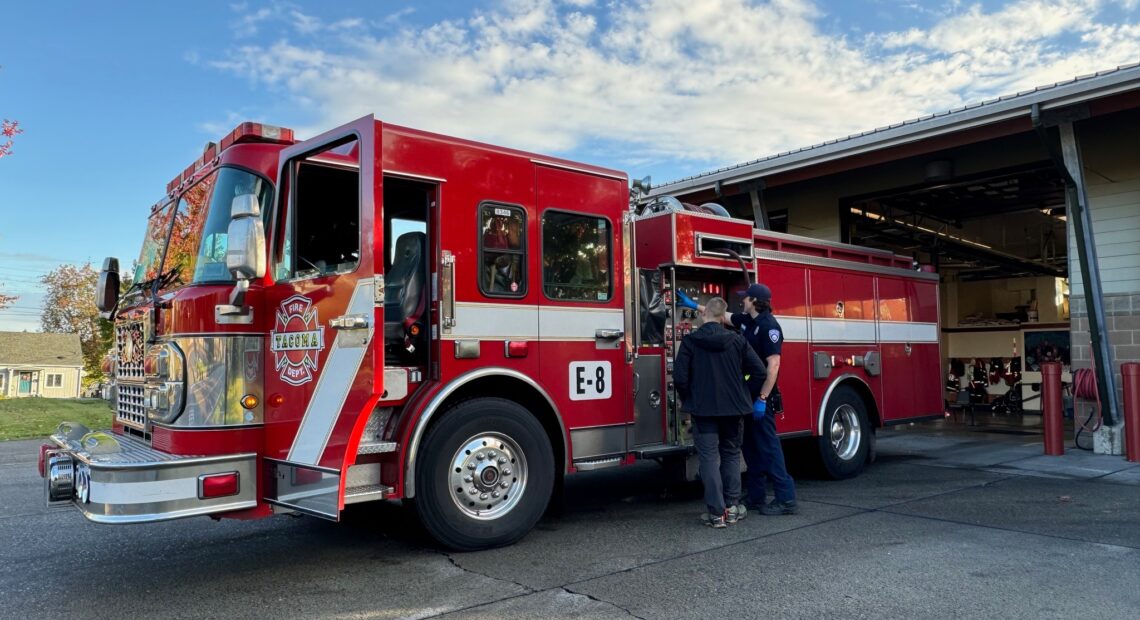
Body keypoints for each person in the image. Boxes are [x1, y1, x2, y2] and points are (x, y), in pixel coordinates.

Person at [678, 283, 799, 515]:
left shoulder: (769, 326)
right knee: (750, 448)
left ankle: (786, 498)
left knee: (769, 447)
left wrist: (762, 397)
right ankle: (756, 495)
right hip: (745, 399)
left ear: (754, 301)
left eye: (745, 298)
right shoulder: (747, 321)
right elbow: (719, 314)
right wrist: (695, 305)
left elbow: (773, 366)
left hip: (761, 396)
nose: (741, 301)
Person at [673, 297, 766, 528]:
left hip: (703, 410)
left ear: (705, 316)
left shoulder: (691, 342)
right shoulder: (738, 341)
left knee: (708, 458)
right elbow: (759, 372)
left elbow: (680, 378)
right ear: (723, 317)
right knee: (732, 454)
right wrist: (745, 391)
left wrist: (690, 398)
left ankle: (716, 513)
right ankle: (732, 507)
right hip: (734, 409)